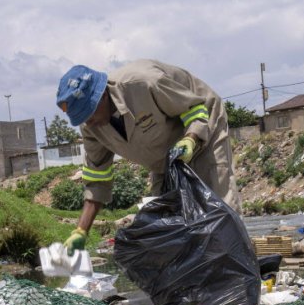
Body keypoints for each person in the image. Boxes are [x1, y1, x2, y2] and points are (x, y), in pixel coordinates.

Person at [55, 59, 242, 249]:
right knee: (168, 220)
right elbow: (96, 178)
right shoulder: (91, 127)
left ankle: (238, 270)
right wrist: (81, 231)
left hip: (203, 124)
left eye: (90, 115)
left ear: (102, 96)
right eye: (83, 119)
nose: (89, 123)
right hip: (163, 155)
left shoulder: (143, 84)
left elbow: (194, 108)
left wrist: (191, 140)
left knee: (218, 205)